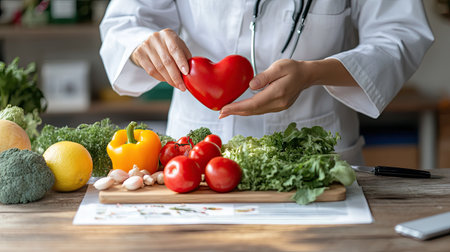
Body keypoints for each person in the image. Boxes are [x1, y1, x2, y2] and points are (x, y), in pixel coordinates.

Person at [99, 0, 433, 165]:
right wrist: (140, 43)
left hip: (317, 156)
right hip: (197, 154)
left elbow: (400, 33)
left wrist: (314, 72)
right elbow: (124, 22)